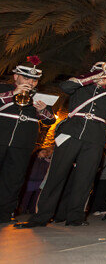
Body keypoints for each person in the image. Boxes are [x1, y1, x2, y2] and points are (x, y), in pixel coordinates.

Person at [16, 54, 106, 228]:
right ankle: (41, 217)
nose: (105, 77)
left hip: (95, 138)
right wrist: (92, 77)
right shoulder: (80, 87)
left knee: (85, 179)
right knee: (56, 176)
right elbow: (65, 86)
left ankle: (76, 217)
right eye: (102, 73)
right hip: (71, 134)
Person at [0, 56, 55, 223]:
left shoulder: (40, 97)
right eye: (27, 78)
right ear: (16, 77)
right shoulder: (4, 88)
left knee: (14, 179)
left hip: (23, 144)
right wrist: (13, 94)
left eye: (34, 80)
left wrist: (43, 110)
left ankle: (4, 213)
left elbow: (50, 119)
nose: (31, 83)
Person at [19, 148, 52, 215]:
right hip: (31, 180)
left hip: (40, 181)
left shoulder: (46, 162)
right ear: (38, 153)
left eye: (45, 152)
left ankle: (32, 210)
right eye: (42, 152)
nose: (44, 154)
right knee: (27, 196)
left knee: (36, 197)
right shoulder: (33, 160)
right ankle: (23, 209)